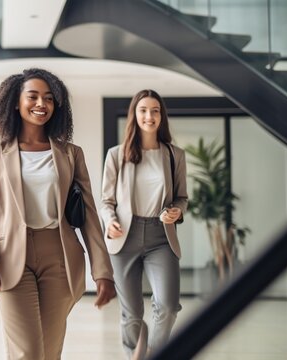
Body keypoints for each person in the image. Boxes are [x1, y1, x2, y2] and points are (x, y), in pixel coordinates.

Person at [0, 68, 116, 359]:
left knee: (49, 353)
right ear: (15, 102)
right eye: (33, 96)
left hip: (59, 257)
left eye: (48, 98)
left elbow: (88, 216)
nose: (41, 104)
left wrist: (103, 272)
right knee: (28, 352)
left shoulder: (71, 154)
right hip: (11, 258)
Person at [100, 89, 188, 358]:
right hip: (124, 236)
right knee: (132, 313)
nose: (149, 116)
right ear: (134, 115)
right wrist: (110, 219)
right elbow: (106, 201)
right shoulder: (116, 155)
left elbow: (182, 198)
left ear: (161, 116)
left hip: (161, 237)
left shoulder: (174, 155)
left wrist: (176, 211)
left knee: (169, 305)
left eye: (155, 110)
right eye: (143, 110)